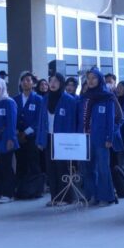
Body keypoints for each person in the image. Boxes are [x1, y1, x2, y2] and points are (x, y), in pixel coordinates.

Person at [78, 68, 119, 206]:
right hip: (85, 138)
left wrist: (109, 138)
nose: (90, 81)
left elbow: (111, 119)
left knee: (103, 168)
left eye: (93, 78)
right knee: (88, 168)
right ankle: (92, 195)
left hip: (101, 138)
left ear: (100, 80)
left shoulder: (107, 97)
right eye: (88, 78)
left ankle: (106, 197)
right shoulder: (84, 97)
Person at [37, 73, 78, 206]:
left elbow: (72, 121)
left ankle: (66, 198)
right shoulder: (45, 99)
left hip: (63, 138)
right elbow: (41, 121)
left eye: (56, 80)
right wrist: (40, 140)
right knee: (50, 167)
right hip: (48, 137)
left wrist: (70, 140)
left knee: (62, 168)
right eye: (51, 80)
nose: (53, 83)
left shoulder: (69, 100)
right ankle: (55, 197)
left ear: (61, 83)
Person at [13, 72, 44, 199]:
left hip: (32, 137)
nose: (25, 82)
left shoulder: (38, 100)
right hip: (18, 137)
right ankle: (21, 191)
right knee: (20, 164)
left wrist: (26, 132)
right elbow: (12, 117)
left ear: (33, 83)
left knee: (33, 164)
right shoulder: (15, 99)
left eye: (28, 80)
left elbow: (39, 120)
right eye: (23, 80)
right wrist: (16, 132)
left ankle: (35, 191)